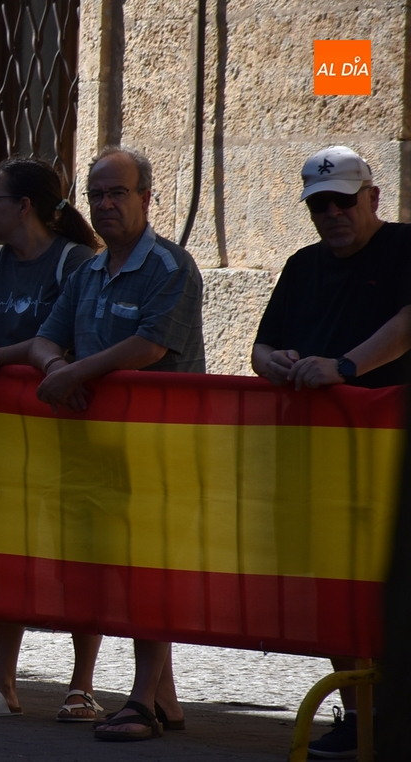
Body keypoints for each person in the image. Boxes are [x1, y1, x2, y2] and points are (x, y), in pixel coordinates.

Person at [28, 146, 205, 742]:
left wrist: (77, 372)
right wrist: (57, 366)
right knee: (117, 571)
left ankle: (142, 703)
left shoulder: (171, 267)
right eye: (96, 194)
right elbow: (45, 338)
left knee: (149, 570)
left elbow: (151, 344)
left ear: (146, 198)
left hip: (159, 450)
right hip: (97, 451)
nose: (105, 204)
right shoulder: (88, 271)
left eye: (118, 193)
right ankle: (166, 698)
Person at [252, 145, 411, 758]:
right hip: (319, 455)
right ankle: (359, 711)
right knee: (335, 585)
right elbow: (261, 347)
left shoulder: (403, 247)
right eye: (320, 206)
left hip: (388, 451)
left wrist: (345, 367)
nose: (333, 215)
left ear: (373, 196)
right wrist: (277, 364)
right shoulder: (302, 265)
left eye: (344, 201)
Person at [0, 158, 102, 719]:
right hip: (4, 435)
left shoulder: (76, 262)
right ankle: (1, 685)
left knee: (78, 555)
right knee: (9, 555)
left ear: (24, 206)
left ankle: (81, 687)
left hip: (67, 431)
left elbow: (66, 344)